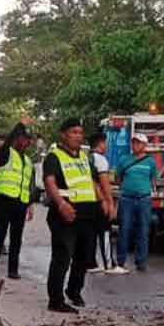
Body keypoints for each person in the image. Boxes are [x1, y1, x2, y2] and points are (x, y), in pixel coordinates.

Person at [43, 119, 114, 313]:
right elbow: (49, 182)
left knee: (83, 257)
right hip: (65, 214)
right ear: (64, 134)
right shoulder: (53, 156)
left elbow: (91, 182)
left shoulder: (84, 156)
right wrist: (61, 204)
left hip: (87, 214)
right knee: (63, 256)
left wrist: (103, 201)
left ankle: (74, 291)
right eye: (73, 132)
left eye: (80, 132)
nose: (77, 136)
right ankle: (55, 299)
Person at [0, 118, 35, 280]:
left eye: (27, 139)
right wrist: (19, 125)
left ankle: (13, 270)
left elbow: (29, 184)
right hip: (6, 200)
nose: (24, 142)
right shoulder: (6, 153)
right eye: (21, 138)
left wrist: (30, 204)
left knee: (16, 238)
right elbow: (7, 142)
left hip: (21, 202)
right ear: (16, 139)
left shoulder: (28, 161)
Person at [112, 132, 159, 273]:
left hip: (144, 200)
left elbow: (153, 179)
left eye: (138, 143)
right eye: (133, 142)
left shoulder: (150, 162)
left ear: (144, 145)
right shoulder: (124, 159)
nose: (135, 145)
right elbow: (117, 177)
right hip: (127, 199)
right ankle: (120, 262)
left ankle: (141, 262)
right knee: (124, 230)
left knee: (143, 231)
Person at [87, 133, 119, 274]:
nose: (106, 146)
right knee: (105, 232)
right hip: (99, 202)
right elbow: (104, 184)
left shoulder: (86, 158)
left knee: (91, 233)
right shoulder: (100, 160)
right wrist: (109, 202)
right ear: (100, 144)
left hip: (88, 201)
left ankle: (91, 264)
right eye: (105, 143)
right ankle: (110, 265)